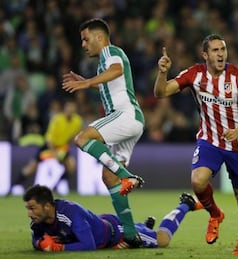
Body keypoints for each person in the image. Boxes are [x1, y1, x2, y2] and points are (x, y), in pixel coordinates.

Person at [154, 34, 238, 256]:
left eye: (223, 49)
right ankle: (215, 214)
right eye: (215, 50)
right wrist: (163, 72)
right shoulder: (194, 74)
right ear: (205, 55)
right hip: (210, 140)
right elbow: (161, 93)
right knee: (198, 182)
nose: (221, 54)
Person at [61, 18, 145, 247]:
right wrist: (90, 82)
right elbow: (112, 81)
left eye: (86, 39)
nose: (83, 44)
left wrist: (87, 83)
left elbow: (116, 71)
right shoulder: (104, 62)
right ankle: (130, 235)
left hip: (125, 115)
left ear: (99, 37)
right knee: (109, 177)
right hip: (132, 120)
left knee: (82, 138)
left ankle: (128, 176)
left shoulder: (110, 52)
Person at [23, 184, 201, 251]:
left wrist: (59, 248)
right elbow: (36, 239)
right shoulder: (39, 220)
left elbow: (89, 245)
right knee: (142, 231)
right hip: (101, 226)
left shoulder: (70, 214)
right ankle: (143, 226)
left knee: (162, 240)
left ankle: (185, 204)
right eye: (28, 209)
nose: (29, 214)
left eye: (32, 208)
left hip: (117, 231)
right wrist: (39, 243)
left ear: (47, 206)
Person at [9, 98, 82, 194]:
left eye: (72, 107)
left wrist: (66, 147)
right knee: (30, 169)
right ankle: (12, 187)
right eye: (68, 107)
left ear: (75, 109)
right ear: (64, 108)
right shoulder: (57, 119)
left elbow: (73, 135)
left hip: (62, 147)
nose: (70, 109)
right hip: (49, 147)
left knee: (71, 166)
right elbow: (49, 139)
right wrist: (55, 154)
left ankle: (55, 187)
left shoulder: (77, 121)